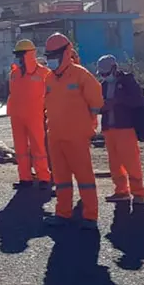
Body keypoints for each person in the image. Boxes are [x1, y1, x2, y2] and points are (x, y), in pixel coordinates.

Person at [43, 33, 104, 229]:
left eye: (55, 55)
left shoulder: (80, 75)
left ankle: (90, 216)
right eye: (49, 55)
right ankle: (63, 213)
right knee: (61, 179)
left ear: (65, 53)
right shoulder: (49, 78)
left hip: (77, 137)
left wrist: (88, 126)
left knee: (84, 178)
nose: (51, 59)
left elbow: (96, 102)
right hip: (55, 136)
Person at [97, 55, 144, 204]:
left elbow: (139, 100)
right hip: (109, 129)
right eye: (102, 74)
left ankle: (138, 193)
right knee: (115, 164)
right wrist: (103, 107)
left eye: (106, 73)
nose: (104, 76)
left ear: (114, 68)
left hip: (125, 128)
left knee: (131, 162)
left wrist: (118, 101)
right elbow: (97, 105)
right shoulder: (103, 85)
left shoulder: (128, 81)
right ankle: (121, 191)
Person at [7, 39, 51, 189]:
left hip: (35, 116)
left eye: (20, 55)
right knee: (20, 148)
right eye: (17, 55)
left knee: (38, 147)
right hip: (17, 117)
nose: (17, 58)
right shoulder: (14, 74)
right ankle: (25, 178)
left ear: (28, 55)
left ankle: (44, 177)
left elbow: (52, 94)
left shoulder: (44, 73)